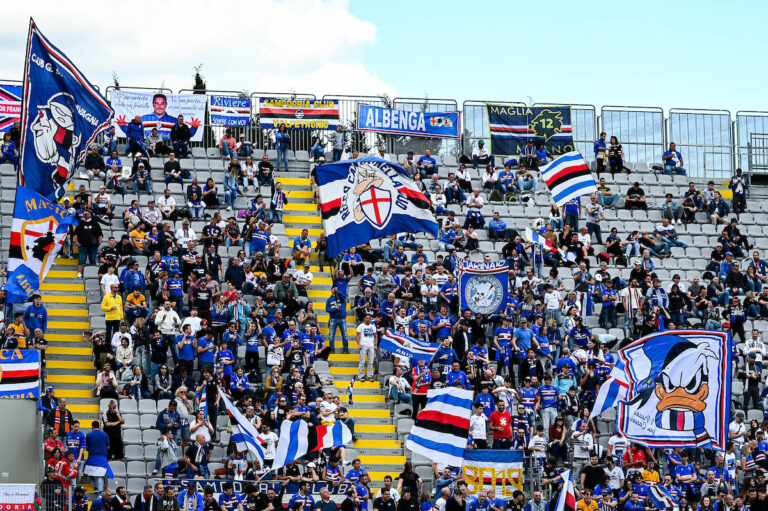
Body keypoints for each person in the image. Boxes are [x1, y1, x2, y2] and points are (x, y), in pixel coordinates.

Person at [357, 314, 377, 381]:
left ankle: (369, 376)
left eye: (369, 318)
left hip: (371, 345)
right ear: (364, 319)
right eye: (366, 318)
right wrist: (359, 344)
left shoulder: (373, 326)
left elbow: (375, 336)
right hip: (363, 344)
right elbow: (357, 335)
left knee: (371, 362)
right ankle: (361, 376)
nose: (368, 319)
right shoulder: (361, 326)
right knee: (362, 361)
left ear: (370, 319)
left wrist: (375, 345)